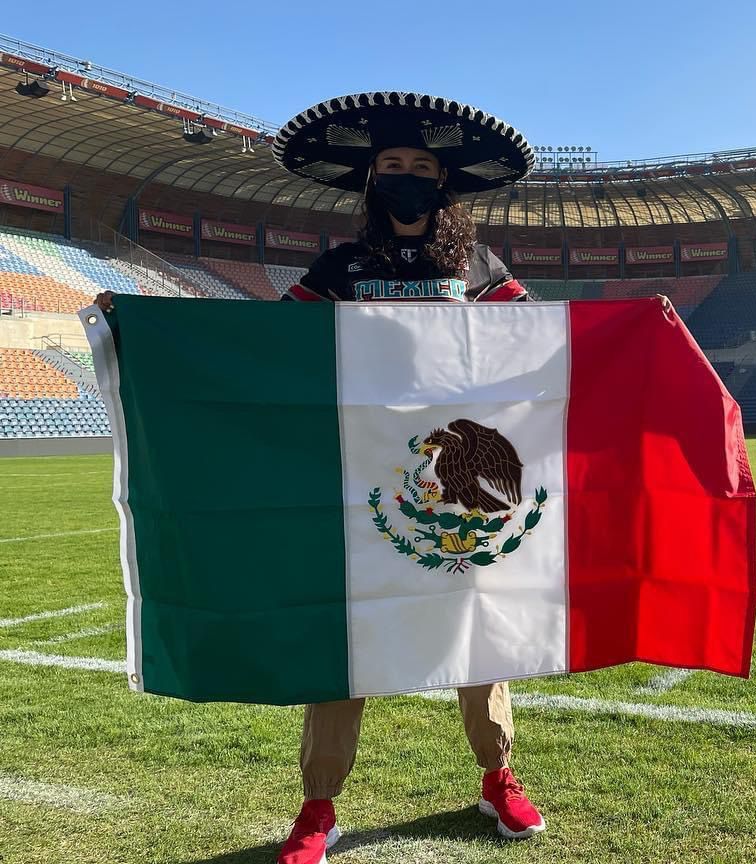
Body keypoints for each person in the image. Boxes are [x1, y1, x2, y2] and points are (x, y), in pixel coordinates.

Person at [97, 92, 570, 863]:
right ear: (370, 179)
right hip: (361, 484)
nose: (406, 177)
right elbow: (264, 343)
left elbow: (547, 339)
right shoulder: (342, 266)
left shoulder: (478, 266)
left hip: (454, 487)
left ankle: (499, 777)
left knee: (477, 633)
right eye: (392, 166)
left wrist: (637, 323)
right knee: (342, 641)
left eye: (420, 167)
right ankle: (318, 807)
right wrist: (145, 322)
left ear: (443, 182)